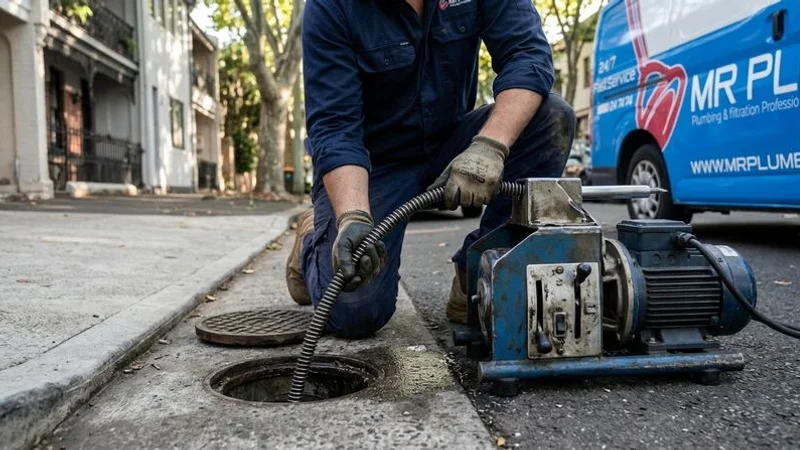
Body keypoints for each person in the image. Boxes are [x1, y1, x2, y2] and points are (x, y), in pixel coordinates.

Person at [286, 0, 576, 339]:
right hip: (371, 166)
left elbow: (526, 55)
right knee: (354, 312)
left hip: (453, 145)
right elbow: (335, 127)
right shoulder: (332, 6)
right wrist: (352, 217)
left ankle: (480, 271)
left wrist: (489, 146)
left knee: (552, 117)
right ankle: (313, 239)